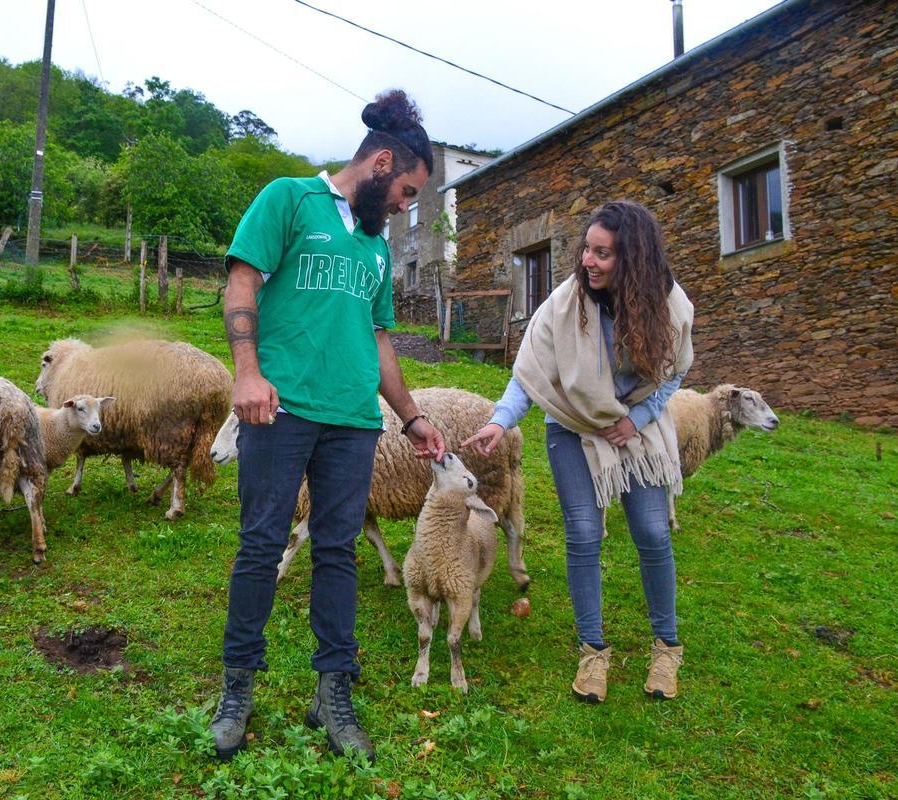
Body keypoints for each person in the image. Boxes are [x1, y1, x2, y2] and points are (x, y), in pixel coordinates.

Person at [209, 89, 446, 761]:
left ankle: (332, 692)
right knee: (261, 546)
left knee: (338, 552)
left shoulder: (374, 247)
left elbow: (378, 339)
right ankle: (237, 689)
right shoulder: (288, 200)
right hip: (280, 410)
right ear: (379, 163)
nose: (405, 205)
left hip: (352, 422)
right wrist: (247, 372)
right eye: (405, 190)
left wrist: (412, 416)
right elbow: (241, 284)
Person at [463, 200, 694, 704]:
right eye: (586, 249)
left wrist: (636, 417)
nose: (588, 260)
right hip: (571, 425)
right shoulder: (564, 305)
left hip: (637, 426)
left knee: (653, 532)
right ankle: (593, 651)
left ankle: (667, 647)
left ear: (632, 259)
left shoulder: (669, 304)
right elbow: (530, 370)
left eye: (603, 253)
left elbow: (675, 369)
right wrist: (499, 422)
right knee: (584, 533)